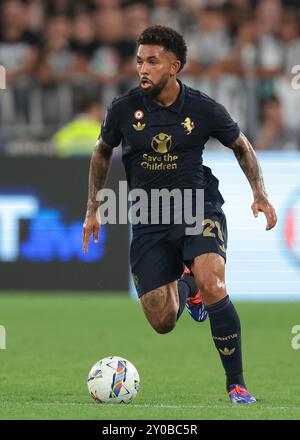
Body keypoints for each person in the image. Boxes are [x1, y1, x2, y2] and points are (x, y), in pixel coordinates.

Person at [82, 25, 277, 404]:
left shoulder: (202, 108)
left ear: (175, 67)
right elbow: (101, 152)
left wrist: (260, 193)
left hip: (196, 206)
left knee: (214, 283)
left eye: (152, 62)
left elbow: (241, 144)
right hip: (148, 214)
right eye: (139, 61)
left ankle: (236, 384)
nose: (143, 69)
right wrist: (93, 207)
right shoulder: (123, 109)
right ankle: (188, 288)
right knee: (162, 319)